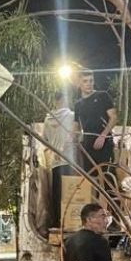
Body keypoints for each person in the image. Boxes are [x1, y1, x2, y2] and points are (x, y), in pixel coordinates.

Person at [74, 70, 118, 190]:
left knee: (108, 179)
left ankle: (112, 208)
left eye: (91, 81)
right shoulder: (78, 104)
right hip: (87, 147)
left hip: (104, 144)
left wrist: (103, 136)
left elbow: (113, 118)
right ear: (79, 83)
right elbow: (76, 126)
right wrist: (73, 139)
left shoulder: (102, 96)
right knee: (91, 181)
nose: (89, 84)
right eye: (85, 81)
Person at [43, 91, 78, 228]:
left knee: (57, 193)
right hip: (69, 161)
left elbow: (44, 139)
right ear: (65, 99)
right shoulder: (71, 116)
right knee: (70, 192)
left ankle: (58, 222)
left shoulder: (47, 119)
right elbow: (76, 136)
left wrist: (54, 149)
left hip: (55, 161)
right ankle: (71, 221)